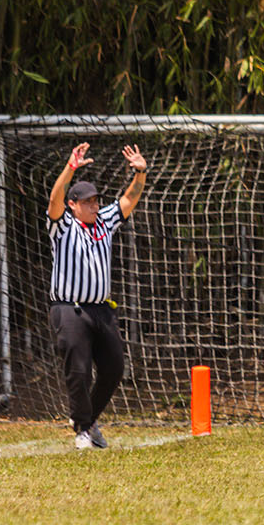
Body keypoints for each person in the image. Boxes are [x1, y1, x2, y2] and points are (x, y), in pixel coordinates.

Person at [45, 141, 149, 449]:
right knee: (78, 371)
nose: (93, 205)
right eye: (87, 201)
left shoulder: (104, 221)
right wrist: (70, 167)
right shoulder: (63, 225)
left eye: (95, 201)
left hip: (101, 310)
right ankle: (82, 430)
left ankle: (87, 421)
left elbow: (129, 199)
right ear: (74, 204)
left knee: (114, 367)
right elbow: (54, 199)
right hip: (69, 309)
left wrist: (140, 172)